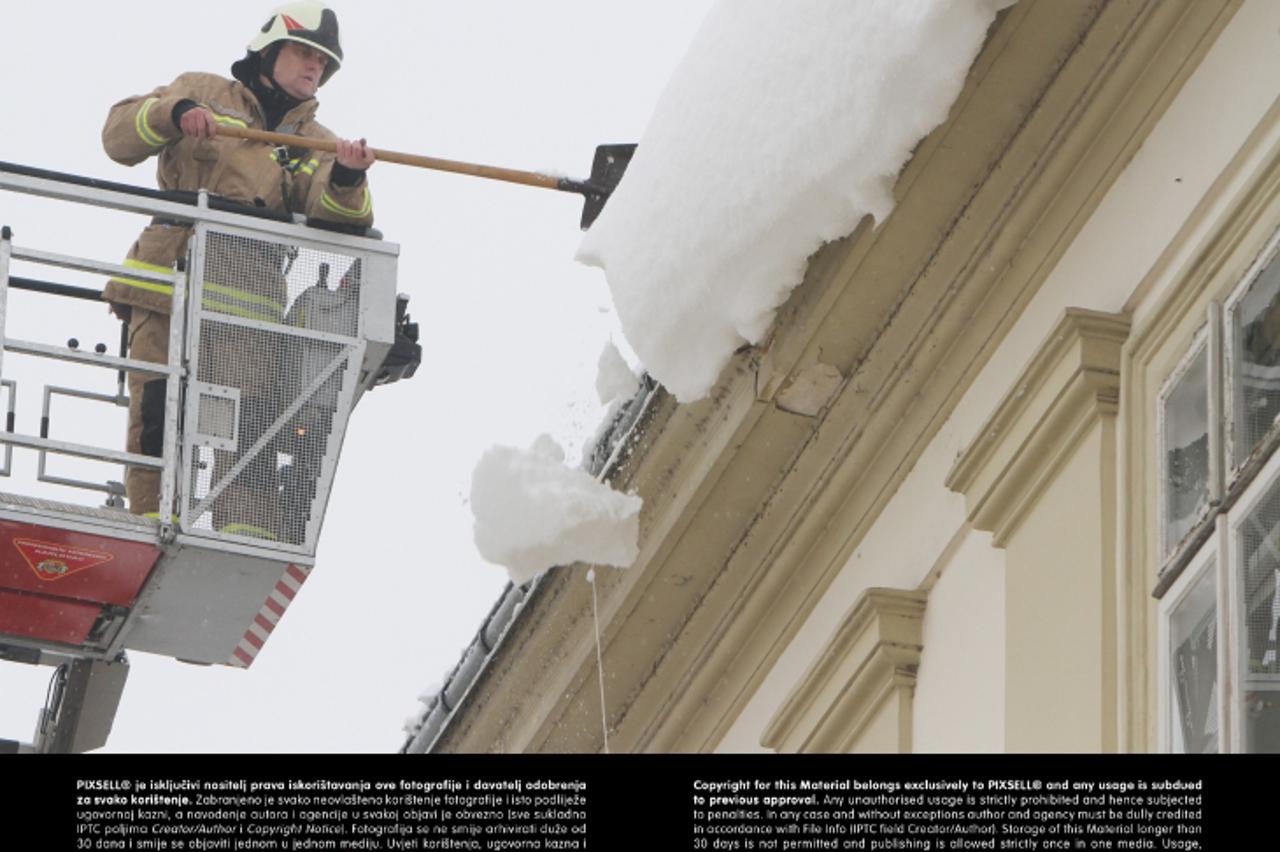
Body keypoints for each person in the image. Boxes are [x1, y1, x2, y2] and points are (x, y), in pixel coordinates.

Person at [101, 1, 375, 534]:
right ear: (269, 51)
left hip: (249, 303)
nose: (313, 67)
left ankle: (243, 531)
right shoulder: (201, 90)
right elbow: (117, 138)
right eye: (303, 52)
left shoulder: (316, 141)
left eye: (322, 62)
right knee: (158, 417)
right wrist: (172, 114)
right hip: (166, 285)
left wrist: (346, 176)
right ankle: (152, 523)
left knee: (246, 427)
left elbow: (339, 215)